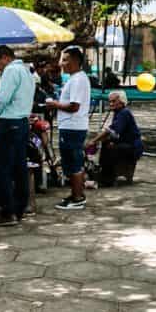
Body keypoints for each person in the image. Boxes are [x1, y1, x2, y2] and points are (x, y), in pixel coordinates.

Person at [0, 45, 36, 226]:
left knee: (2, 167)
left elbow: (2, 97)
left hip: (9, 123)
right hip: (22, 122)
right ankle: (19, 208)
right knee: (19, 167)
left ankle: (7, 212)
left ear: (5, 57)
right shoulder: (26, 71)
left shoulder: (11, 71)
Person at [46, 45, 91, 209]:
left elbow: (74, 106)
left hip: (73, 127)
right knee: (70, 162)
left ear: (75, 61)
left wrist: (54, 104)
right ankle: (75, 194)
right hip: (69, 126)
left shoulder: (78, 79)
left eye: (65, 60)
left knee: (73, 162)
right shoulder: (73, 78)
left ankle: (77, 198)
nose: (61, 63)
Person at [88, 90, 143, 187]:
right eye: (110, 101)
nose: (111, 104)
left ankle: (106, 180)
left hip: (133, 146)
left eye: (114, 101)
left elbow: (110, 130)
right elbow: (114, 132)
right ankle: (103, 174)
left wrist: (94, 141)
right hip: (126, 142)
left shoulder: (124, 113)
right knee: (106, 144)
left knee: (110, 149)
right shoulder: (118, 112)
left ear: (121, 102)